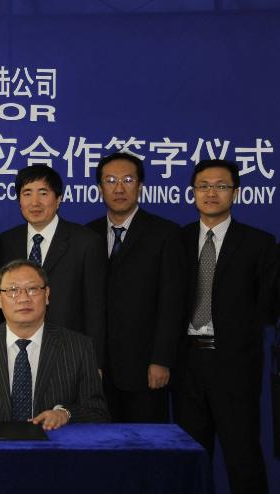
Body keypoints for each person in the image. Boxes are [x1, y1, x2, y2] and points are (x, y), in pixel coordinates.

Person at [176, 159, 277, 494]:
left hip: (235, 365)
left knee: (242, 454)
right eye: (203, 186)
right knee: (190, 457)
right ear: (193, 192)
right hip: (187, 363)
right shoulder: (177, 240)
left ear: (235, 193)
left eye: (221, 186)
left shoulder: (258, 243)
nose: (211, 193)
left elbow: (266, 304)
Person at [0, 260, 108, 430]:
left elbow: (98, 412)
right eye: (13, 290)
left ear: (47, 295)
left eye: (32, 289)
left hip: (53, 443)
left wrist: (65, 413)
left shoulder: (79, 347)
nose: (24, 298)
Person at [86, 152, 185, 423]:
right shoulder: (87, 234)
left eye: (127, 180)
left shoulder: (165, 234)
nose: (119, 188)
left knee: (145, 443)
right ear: (100, 188)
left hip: (145, 367)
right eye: (110, 181)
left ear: (140, 186)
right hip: (98, 369)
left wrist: (161, 359)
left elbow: (172, 303)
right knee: (99, 442)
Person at [0, 165, 106, 366]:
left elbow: (96, 310)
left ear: (58, 199)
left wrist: (95, 363)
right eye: (27, 193)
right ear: (19, 200)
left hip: (70, 354)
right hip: (17, 354)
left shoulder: (86, 242)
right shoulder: (6, 242)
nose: (35, 202)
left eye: (43, 193)